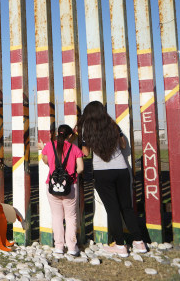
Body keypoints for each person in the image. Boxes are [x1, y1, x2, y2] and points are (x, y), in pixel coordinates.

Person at [77, 101, 147, 257]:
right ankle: (139, 242)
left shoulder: (87, 129)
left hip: (103, 173)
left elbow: (86, 153)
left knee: (113, 209)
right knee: (126, 207)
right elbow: (123, 145)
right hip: (122, 170)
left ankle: (120, 245)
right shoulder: (113, 125)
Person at [39, 124, 84, 256]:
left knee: (57, 216)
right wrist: (72, 175)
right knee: (71, 217)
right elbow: (81, 168)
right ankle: (71, 247)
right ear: (70, 136)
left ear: (58, 134)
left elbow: (46, 161)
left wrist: (43, 149)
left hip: (52, 186)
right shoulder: (75, 149)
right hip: (70, 186)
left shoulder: (49, 146)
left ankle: (58, 246)